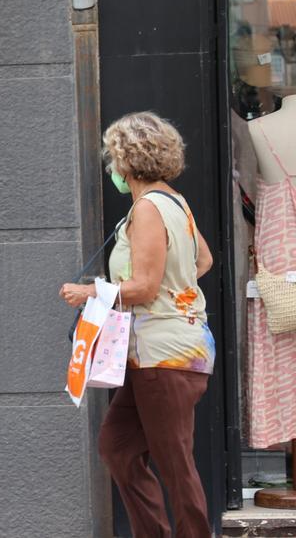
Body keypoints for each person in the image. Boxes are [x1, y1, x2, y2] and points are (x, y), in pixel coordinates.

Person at [60, 112, 214, 538]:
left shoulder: (147, 209)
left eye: (113, 159)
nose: (112, 168)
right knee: (119, 447)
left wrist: (88, 292)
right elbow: (203, 260)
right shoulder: (176, 202)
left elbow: (145, 287)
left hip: (162, 355)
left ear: (127, 161)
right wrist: (174, 288)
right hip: (160, 352)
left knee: (175, 464)